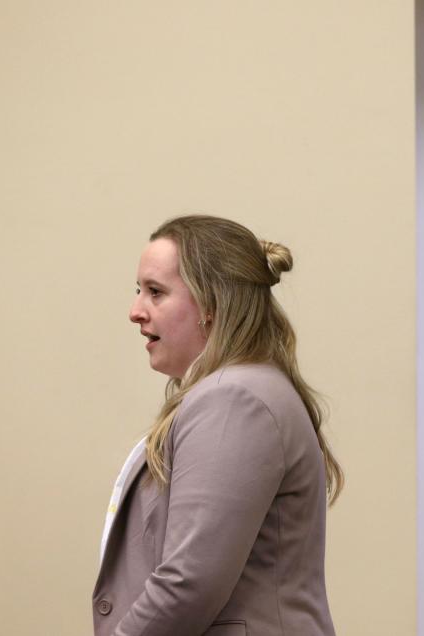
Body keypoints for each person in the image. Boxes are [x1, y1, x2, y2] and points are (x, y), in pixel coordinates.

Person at [92, 215, 342, 636]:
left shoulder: (234, 399)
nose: (136, 311)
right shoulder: (237, 390)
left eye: (156, 292)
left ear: (212, 304)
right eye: (139, 291)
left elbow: (189, 582)